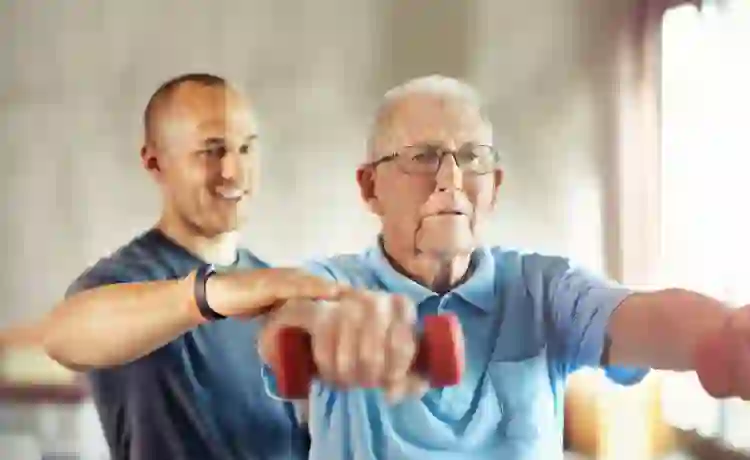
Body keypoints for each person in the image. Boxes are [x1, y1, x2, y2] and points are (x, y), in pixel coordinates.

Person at [256, 75, 750, 460]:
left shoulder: (545, 288)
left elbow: (638, 317)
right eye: (423, 157)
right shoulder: (331, 284)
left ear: (494, 186)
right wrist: (329, 329)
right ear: (370, 187)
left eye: (472, 158)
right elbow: (290, 320)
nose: (451, 179)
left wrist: (724, 334)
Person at [42, 73, 348, 460]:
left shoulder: (274, 291)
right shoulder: (124, 280)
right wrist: (208, 295)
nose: (233, 171)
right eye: (211, 151)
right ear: (155, 163)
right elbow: (62, 336)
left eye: (245, 148)